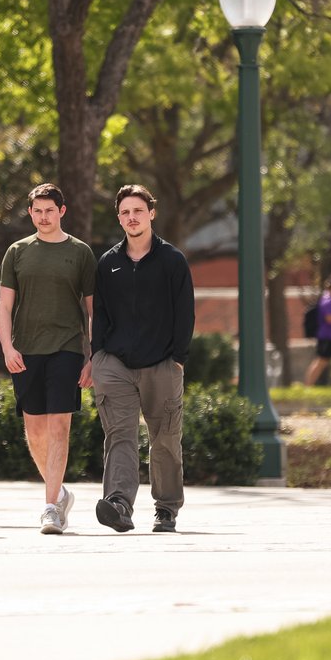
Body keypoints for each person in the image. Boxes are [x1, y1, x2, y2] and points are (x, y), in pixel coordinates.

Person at [91, 185, 194, 533]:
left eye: (137, 210)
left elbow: (185, 313)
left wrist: (177, 360)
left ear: (151, 213)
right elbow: (100, 314)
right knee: (119, 436)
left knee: (164, 439)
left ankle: (166, 509)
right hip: (115, 364)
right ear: (119, 218)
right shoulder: (108, 263)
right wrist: (98, 356)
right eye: (125, 212)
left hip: (162, 364)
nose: (131, 217)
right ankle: (119, 504)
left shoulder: (172, 261)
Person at [0, 183, 95, 535]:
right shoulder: (17, 252)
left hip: (67, 349)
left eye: (49, 210)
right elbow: (3, 306)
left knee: (59, 427)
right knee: (35, 431)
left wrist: (92, 356)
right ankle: (61, 493)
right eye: (37, 211)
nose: (43, 217)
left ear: (62, 211)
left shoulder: (80, 252)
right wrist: (7, 348)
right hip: (26, 351)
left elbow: (93, 311)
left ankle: (51, 508)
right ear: (30, 213)